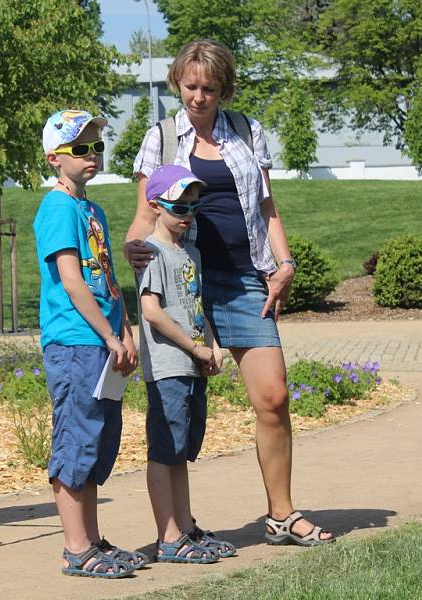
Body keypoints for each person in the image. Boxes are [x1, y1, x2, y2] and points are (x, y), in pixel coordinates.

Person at [125, 39, 335, 546]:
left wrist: (284, 264)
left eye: (209, 88)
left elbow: (268, 207)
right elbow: (146, 212)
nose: (198, 97)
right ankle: (180, 529)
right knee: (181, 402)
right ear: (179, 83)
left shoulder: (246, 130)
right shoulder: (161, 138)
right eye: (191, 86)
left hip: (245, 279)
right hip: (183, 283)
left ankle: (281, 515)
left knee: (274, 396)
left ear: (224, 88)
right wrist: (134, 247)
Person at [34, 109, 145, 578]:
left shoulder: (92, 210)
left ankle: (93, 539)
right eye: (80, 148)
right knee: (75, 440)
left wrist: (123, 331)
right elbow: (72, 281)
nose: (92, 155)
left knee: (98, 441)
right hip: (75, 341)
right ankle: (75, 548)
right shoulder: (57, 208)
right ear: (54, 158)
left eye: (96, 146)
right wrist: (104, 332)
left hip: (103, 342)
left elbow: (107, 279)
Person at [137, 164, 236, 563]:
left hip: (192, 364)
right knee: (165, 451)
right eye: (179, 207)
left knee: (181, 450)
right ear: (156, 205)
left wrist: (212, 347)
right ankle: (168, 536)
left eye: (193, 206)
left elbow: (196, 306)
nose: (187, 214)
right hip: (168, 366)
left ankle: (186, 526)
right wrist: (194, 349)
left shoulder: (189, 251)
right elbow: (152, 312)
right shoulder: (151, 251)